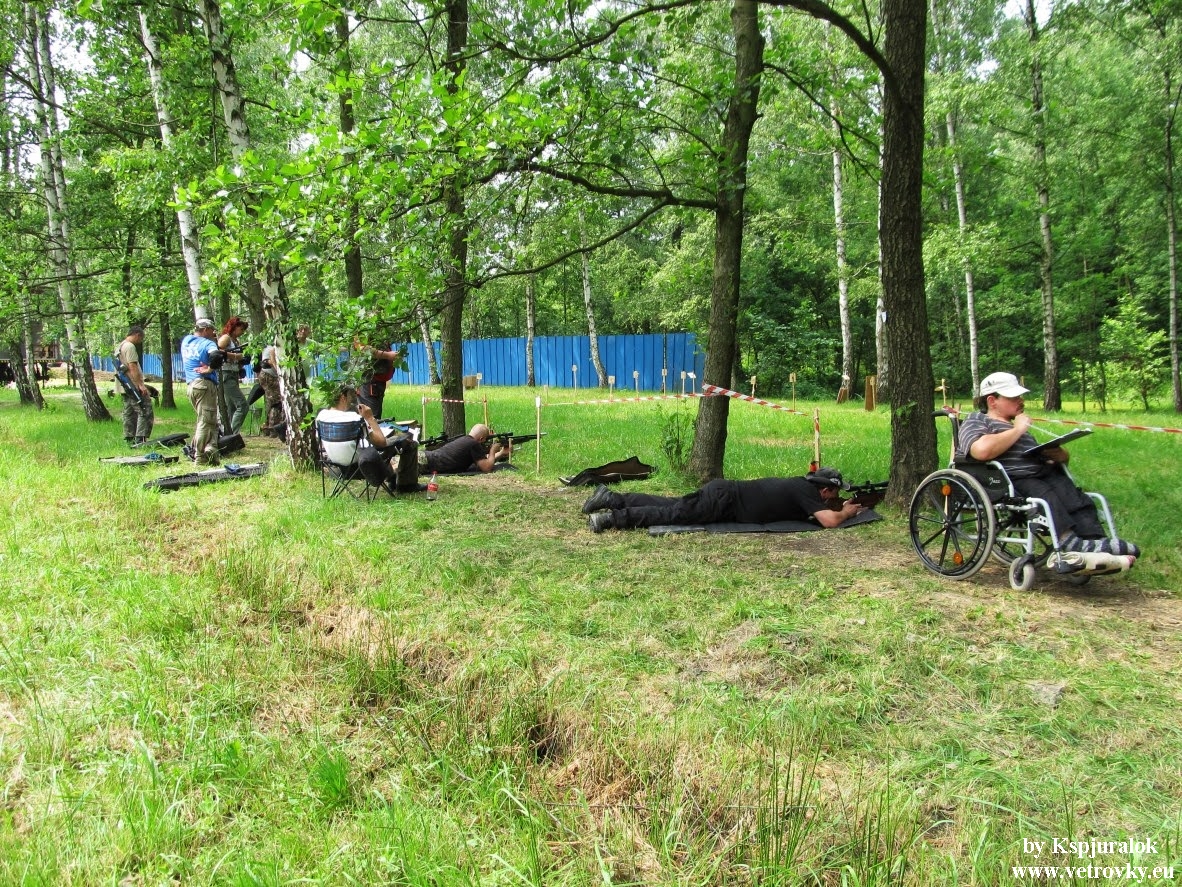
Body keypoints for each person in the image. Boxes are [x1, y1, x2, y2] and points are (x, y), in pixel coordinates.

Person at [956, 371, 1139, 558]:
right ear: (992, 401)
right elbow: (981, 451)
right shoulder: (977, 420)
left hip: (1041, 472)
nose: (1021, 401)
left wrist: (1060, 455)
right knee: (1044, 492)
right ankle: (1069, 541)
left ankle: (1095, 540)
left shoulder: (1017, 427)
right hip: (1008, 479)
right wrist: (1018, 429)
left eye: (1020, 396)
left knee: (1072, 493)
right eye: (1013, 397)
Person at [583, 467, 868, 533]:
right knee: (673, 514)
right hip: (724, 500)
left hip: (723, 495)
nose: (837, 498)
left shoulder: (800, 486)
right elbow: (830, 522)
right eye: (836, 494)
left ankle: (613, 498)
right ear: (825, 491)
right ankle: (611, 519)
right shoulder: (806, 491)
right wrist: (846, 512)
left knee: (670, 505)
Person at [317, 384, 421, 493]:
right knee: (407, 440)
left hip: (335, 466)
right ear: (343, 397)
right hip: (362, 467)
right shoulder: (355, 419)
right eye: (351, 396)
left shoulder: (321, 416)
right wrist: (370, 417)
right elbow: (381, 443)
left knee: (369, 447)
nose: (353, 401)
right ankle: (407, 486)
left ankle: (392, 479)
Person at [180, 318, 224, 466]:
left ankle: (211, 451)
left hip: (191, 385)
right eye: (212, 330)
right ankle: (200, 457)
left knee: (207, 420)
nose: (213, 333)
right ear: (205, 330)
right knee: (206, 422)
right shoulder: (208, 343)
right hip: (204, 384)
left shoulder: (186, 341)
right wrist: (210, 369)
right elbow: (216, 356)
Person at [115, 325, 154, 445]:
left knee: (129, 411)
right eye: (141, 338)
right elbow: (132, 366)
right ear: (137, 335)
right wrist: (140, 385)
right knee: (144, 409)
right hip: (132, 384)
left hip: (124, 385)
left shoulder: (120, 346)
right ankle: (141, 439)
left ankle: (129, 438)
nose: (140, 341)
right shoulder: (130, 347)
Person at [422, 424, 510, 474]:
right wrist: (492, 451)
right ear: (481, 438)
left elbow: (482, 460)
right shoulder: (473, 444)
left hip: (425, 457)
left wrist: (501, 453)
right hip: (425, 462)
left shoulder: (466, 440)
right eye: (485, 439)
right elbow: (486, 468)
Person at [217, 316, 250, 434]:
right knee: (242, 405)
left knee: (231, 407)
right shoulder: (225, 338)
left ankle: (228, 433)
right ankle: (233, 434)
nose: (242, 332)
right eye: (241, 329)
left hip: (234, 374)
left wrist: (242, 362)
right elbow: (218, 352)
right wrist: (236, 356)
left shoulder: (237, 341)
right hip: (225, 374)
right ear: (234, 327)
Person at [355, 336, 401, 419]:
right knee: (371, 418)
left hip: (376, 381)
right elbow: (362, 348)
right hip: (369, 382)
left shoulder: (378, 331)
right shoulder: (364, 330)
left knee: (373, 416)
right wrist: (388, 355)